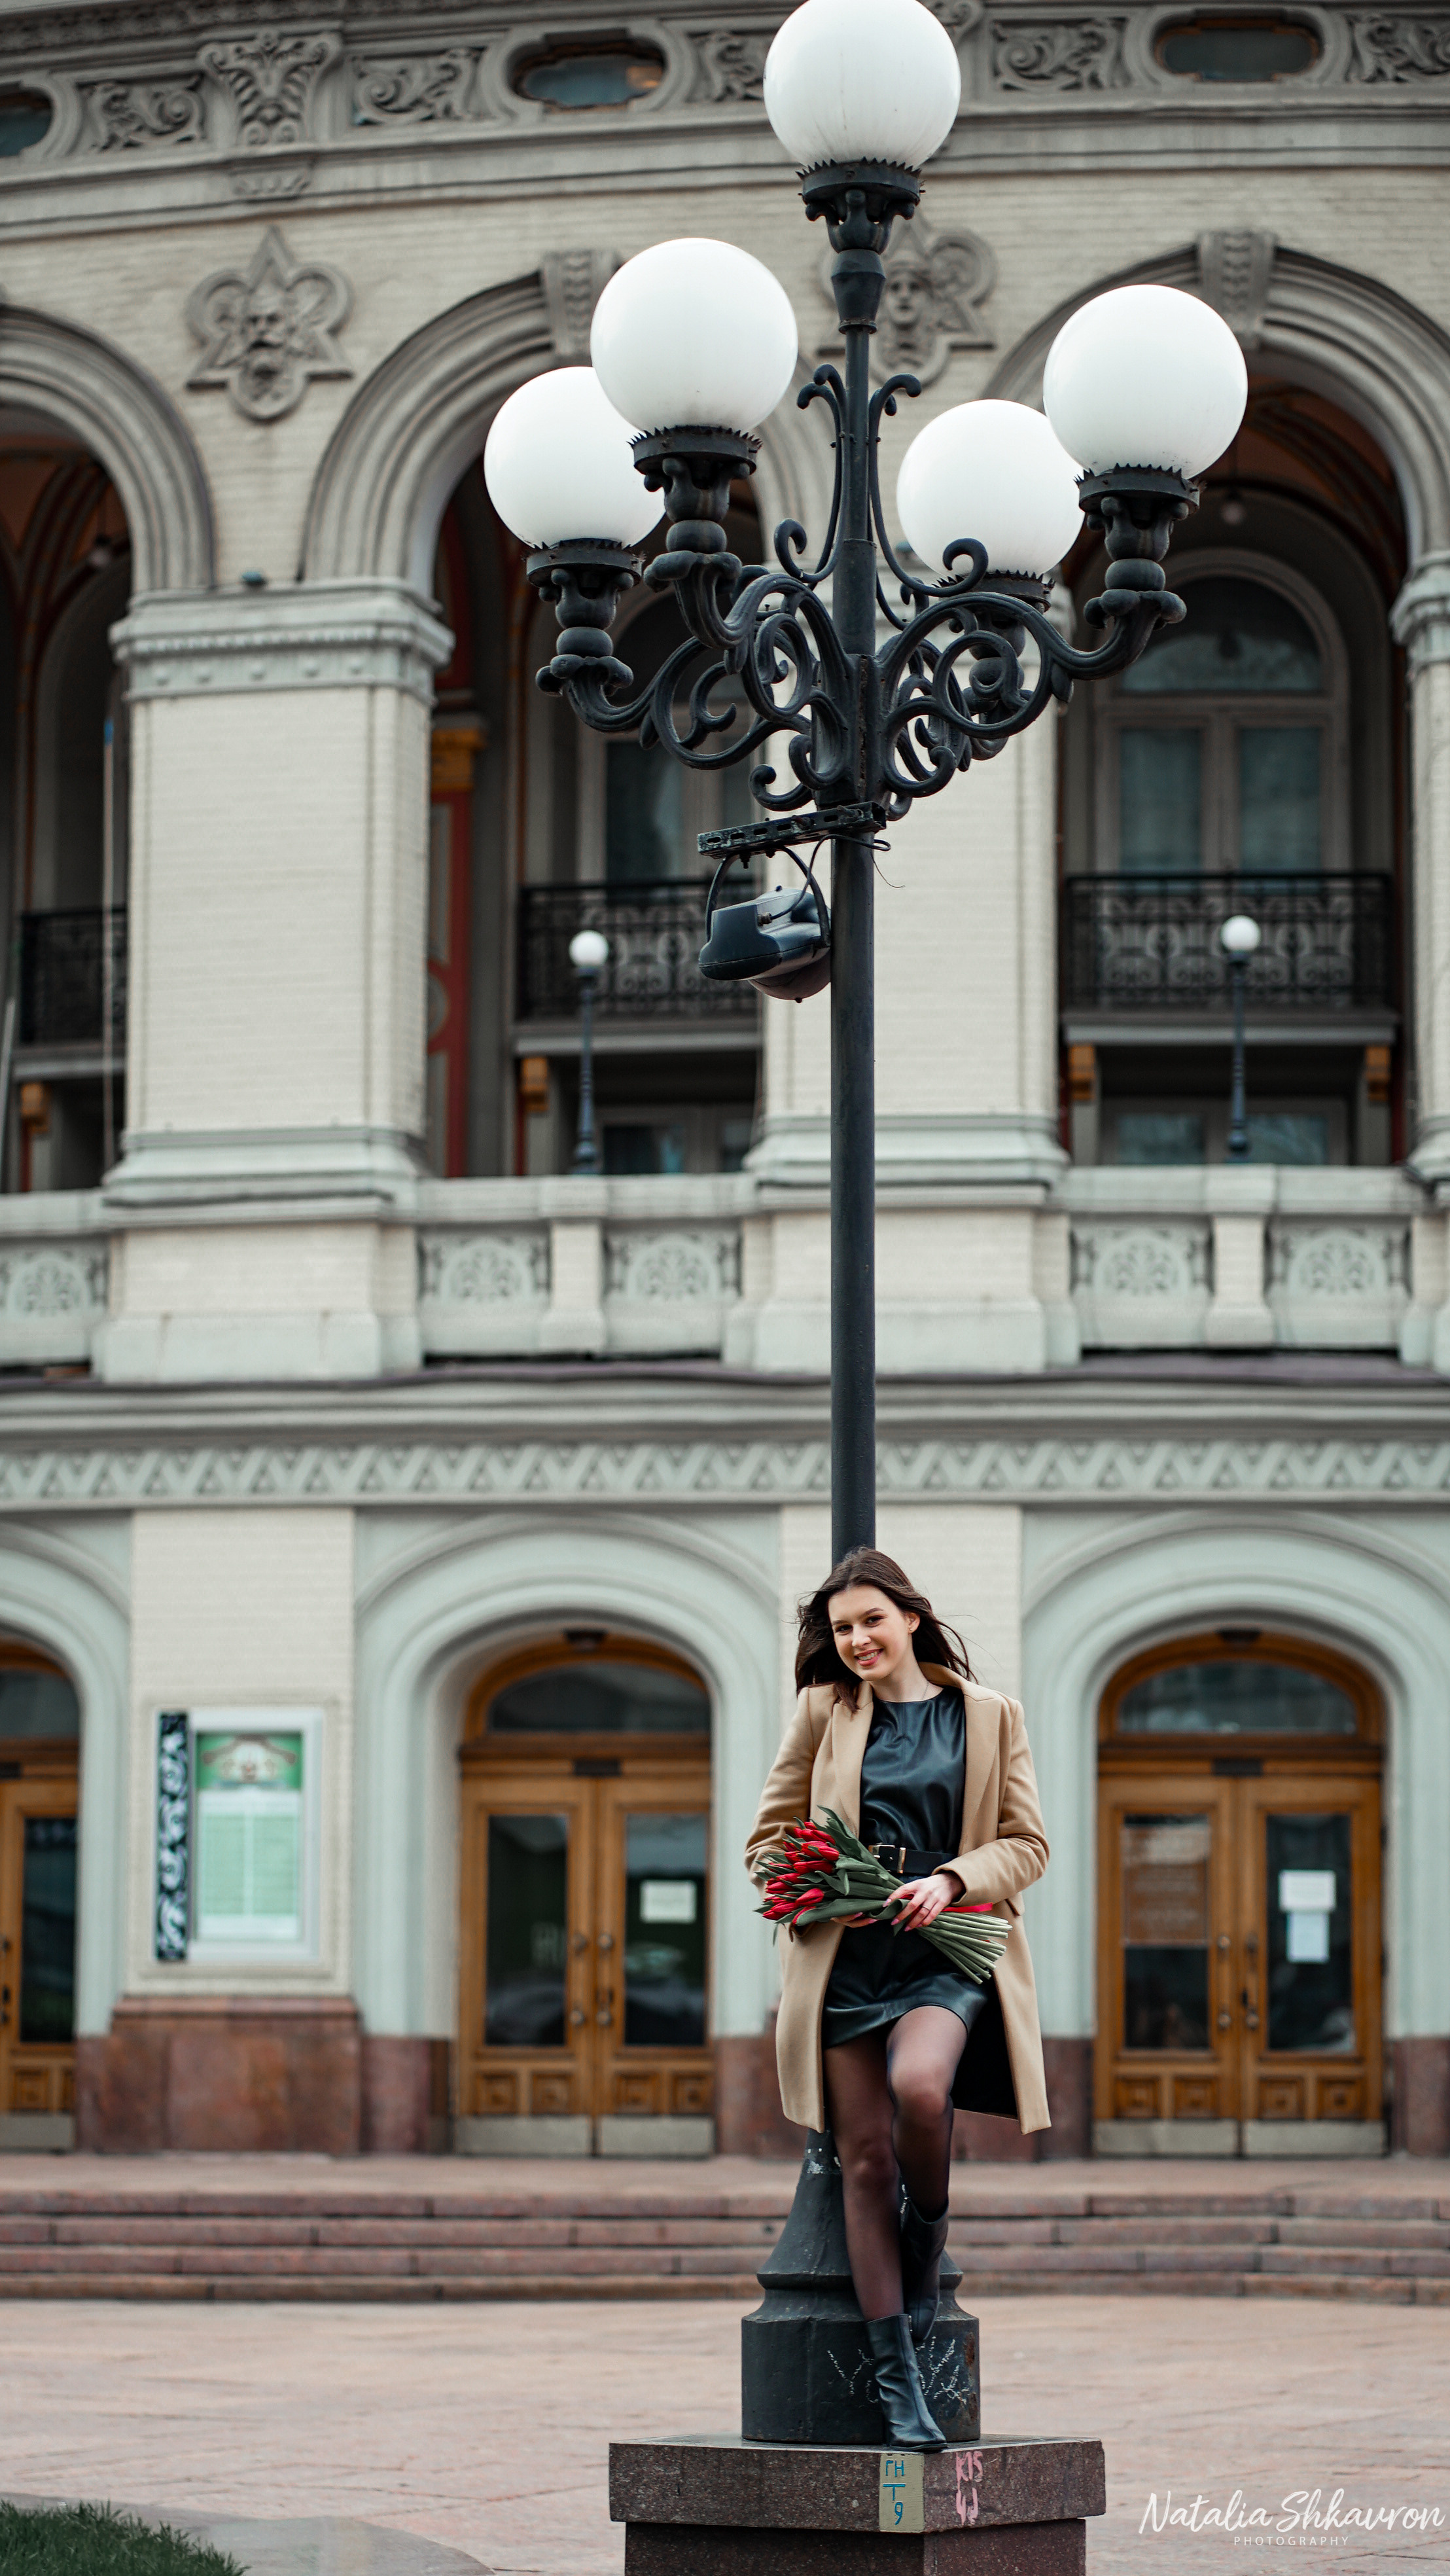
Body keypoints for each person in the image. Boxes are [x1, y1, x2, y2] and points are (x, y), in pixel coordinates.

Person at [745, 1547, 1051, 2448]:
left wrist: (953, 1880)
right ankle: (897, 2375)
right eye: (842, 1629)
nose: (857, 1640)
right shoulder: (821, 1712)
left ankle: (928, 2235)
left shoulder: (988, 1717)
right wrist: (821, 1884)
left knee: (924, 2089)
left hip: (942, 1952)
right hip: (847, 1961)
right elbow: (769, 1838)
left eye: (871, 1620)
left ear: (911, 1618)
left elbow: (1026, 1844)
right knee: (865, 2160)